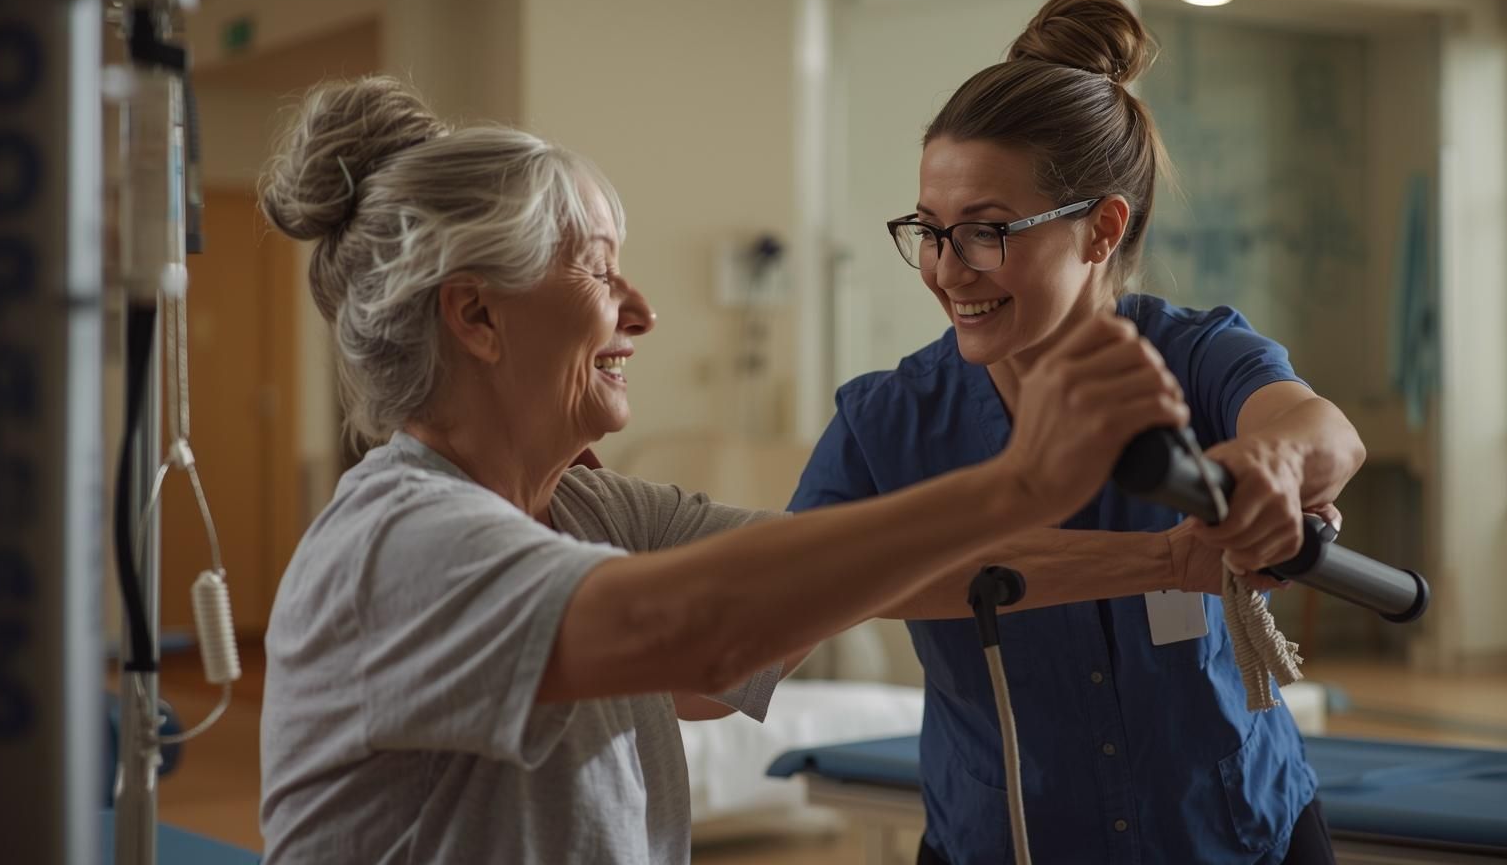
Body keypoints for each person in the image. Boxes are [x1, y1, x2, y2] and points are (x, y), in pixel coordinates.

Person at [254, 76, 1205, 864]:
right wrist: (1025, 478)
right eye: (597, 271)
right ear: (477, 318)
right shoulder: (401, 544)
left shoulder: (586, 509)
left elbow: (854, 572)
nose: (642, 311)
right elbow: (704, 636)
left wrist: (1171, 561)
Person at [788, 0, 1366, 865]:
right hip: (1002, 841)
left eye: (986, 231)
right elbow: (803, 583)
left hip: (1238, 835)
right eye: (929, 230)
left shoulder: (1197, 356)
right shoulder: (885, 421)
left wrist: (1272, 470)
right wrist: (1162, 559)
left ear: (1101, 229)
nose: (947, 270)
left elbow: (1324, 431)